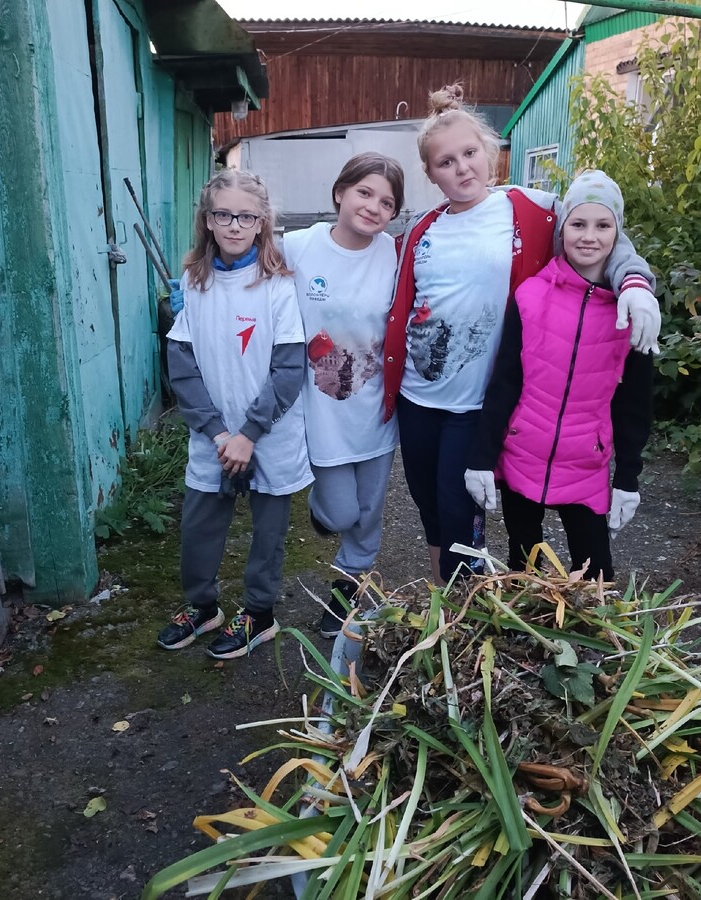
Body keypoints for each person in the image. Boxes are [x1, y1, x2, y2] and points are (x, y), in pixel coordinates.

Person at [382, 85, 660, 586]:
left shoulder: (533, 209)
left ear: (490, 151)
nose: (462, 168)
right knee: (429, 506)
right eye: (446, 162)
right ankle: (440, 604)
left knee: (458, 509)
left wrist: (635, 284)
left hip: (479, 401)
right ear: (430, 173)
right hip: (418, 397)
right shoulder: (422, 227)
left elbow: (600, 230)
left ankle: (467, 601)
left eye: (470, 153)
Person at [464, 170, 654, 582]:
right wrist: (482, 457)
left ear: (618, 233)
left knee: (595, 574)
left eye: (603, 225)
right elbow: (505, 382)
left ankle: (586, 643)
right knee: (524, 566)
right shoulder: (530, 296)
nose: (589, 236)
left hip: (585, 464)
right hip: (522, 455)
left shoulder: (633, 312)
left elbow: (635, 403)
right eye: (578, 223)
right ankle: (528, 641)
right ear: (562, 227)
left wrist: (628, 477)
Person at [156, 170, 312, 659]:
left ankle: (259, 613)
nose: (234, 225)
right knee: (199, 526)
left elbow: (288, 369)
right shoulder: (193, 282)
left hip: (269, 436)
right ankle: (203, 607)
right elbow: (182, 365)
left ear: (263, 221)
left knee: (269, 531)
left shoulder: (277, 285)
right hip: (213, 437)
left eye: (246, 215)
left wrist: (248, 433)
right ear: (207, 219)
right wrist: (218, 431)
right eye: (223, 214)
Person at [282, 153, 405, 638]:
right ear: (340, 192)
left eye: (387, 202)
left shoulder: (395, 255)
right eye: (365, 192)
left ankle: (347, 590)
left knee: (369, 514)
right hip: (321, 412)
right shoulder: (298, 247)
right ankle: (320, 511)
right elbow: (246, 272)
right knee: (341, 512)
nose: (374, 207)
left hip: (375, 411)